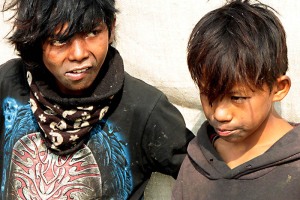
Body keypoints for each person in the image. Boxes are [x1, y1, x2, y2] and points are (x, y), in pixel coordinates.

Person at [0, 0, 194, 199]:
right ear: (36, 39)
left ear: (111, 27)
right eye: (60, 39)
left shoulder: (142, 108)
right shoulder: (9, 83)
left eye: (92, 32)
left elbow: (208, 177)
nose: (79, 54)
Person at [172, 0, 300, 199]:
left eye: (237, 97)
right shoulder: (197, 160)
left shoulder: (295, 167)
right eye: (209, 95)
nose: (219, 114)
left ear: (278, 88)